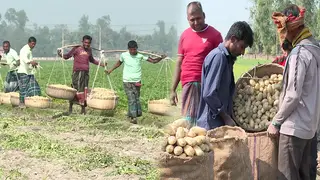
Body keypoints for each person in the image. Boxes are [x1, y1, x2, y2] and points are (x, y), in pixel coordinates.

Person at [269, 5, 320, 180]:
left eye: (283, 30)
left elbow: (293, 95)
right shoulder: (315, 48)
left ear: (291, 28)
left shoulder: (299, 53)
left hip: (294, 130)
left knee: (287, 176)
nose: (282, 35)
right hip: (311, 128)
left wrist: (276, 122)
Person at [170, 1, 223, 126]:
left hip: (207, 85)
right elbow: (179, 62)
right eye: (191, 20)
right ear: (187, 19)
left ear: (204, 15)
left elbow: (222, 62)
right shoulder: (184, 35)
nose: (195, 22)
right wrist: (172, 90)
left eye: (198, 18)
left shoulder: (215, 35)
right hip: (188, 84)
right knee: (188, 122)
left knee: (205, 121)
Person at [197, 21, 254, 130]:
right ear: (232, 39)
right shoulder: (219, 57)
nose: (243, 52)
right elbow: (209, 94)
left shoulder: (227, 59)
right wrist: (225, 117)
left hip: (217, 122)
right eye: (242, 47)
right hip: (211, 124)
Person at [106, 40, 166, 124]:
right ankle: (134, 118)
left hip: (137, 82)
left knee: (136, 99)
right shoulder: (124, 55)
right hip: (127, 81)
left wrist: (160, 57)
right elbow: (118, 63)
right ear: (128, 49)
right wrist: (110, 70)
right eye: (131, 50)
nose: (133, 51)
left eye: (134, 49)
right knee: (131, 99)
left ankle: (131, 115)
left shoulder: (140, 56)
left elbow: (153, 61)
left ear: (137, 49)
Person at [58, 35, 106, 115]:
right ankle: (71, 107)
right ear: (82, 42)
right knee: (75, 89)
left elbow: (92, 60)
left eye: (89, 43)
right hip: (77, 72)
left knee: (84, 90)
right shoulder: (77, 49)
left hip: (85, 73)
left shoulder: (89, 50)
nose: (87, 44)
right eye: (85, 42)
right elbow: (67, 56)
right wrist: (60, 54)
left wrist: (101, 64)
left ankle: (83, 109)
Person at [17, 37, 41, 108]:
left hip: (29, 72)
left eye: (34, 44)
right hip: (23, 72)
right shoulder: (25, 49)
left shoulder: (29, 50)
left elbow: (29, 60)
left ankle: (32, 101)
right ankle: (22, 103)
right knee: (23, 88)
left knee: (33, 86)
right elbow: (24, 58)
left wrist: (34, 65)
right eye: (32, 44)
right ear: (29, 43)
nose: (33, 45)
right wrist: (30, 62)